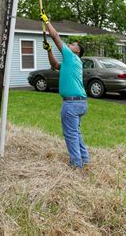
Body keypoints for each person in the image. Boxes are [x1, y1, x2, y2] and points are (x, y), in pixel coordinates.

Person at [39, 13, 89, 169]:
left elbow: (55, 37)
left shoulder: (72, 57)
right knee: (76, 133)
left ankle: (76, 165)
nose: (70, 45)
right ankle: (85, 159)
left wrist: (47, 21)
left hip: (72, 104)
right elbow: (55, 66)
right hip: (80, 103)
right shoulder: (72, 61)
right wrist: (49, 51)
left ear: (76, 51)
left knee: (71, 135)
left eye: (73, 45)